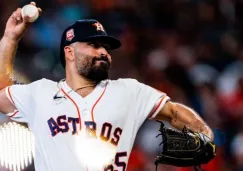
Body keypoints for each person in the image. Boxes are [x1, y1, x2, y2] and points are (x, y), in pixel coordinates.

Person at [0, 2, 214, 171]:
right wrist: (10, 38)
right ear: (70, 52)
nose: (103, 51)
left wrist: (202, 131)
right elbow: (1, 93)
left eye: (105, 47)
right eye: (93, 45)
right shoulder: (42, 92)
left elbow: (174, 112)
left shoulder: (129, 91)